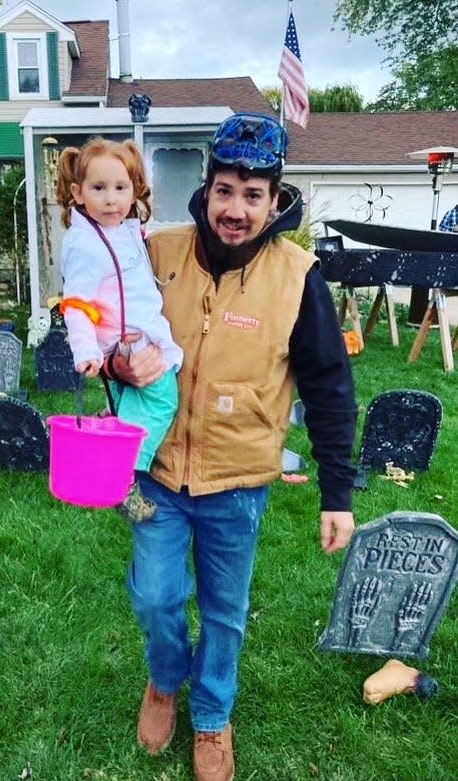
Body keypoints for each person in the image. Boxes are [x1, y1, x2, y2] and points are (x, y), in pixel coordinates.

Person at [101, 113, 358, 781]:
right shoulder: (158, 254)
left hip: (239, 484)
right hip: (152, 477)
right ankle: (164, 680)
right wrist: (113, 364)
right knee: (154, 597)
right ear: (205, 190)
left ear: (275, 201)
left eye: (252, 194)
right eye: (224, 190)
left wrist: (336, 495)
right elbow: (99, 330)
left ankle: (211, 715)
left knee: (223, 610)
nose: (235, 209)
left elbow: (330, 386)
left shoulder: (298, 276)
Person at [56, 138, 183, 523]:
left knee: (148, 397)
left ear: (134, 190)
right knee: (163, 399)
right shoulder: (84, 246)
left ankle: (115, 420)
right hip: (127, 343)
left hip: (140, 332)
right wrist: (87, 353)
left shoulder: (122, 229)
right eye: (99, 188)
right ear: (78, 194)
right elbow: (76, 305)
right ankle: (123, 475)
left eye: (120, 188)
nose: (111, 199)